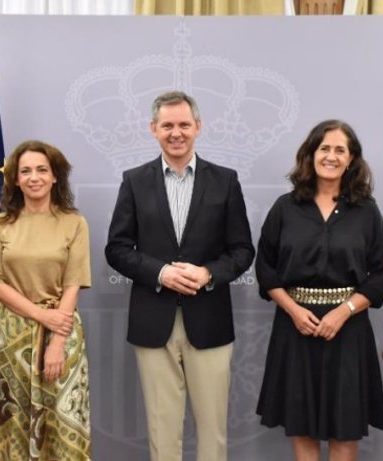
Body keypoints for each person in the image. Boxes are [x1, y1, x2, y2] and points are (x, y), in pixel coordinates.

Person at [105, 90, 254, 461]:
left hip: (210, 320)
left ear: (198, 127)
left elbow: (242, 251)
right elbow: (117, 249)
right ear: (153, 129)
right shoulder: (134, 181)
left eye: (184, 125)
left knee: (213, 431)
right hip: (153, 322)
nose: (176, 133)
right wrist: (160, 273)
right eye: (167, 125)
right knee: (162, 428)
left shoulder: (225, 181)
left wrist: (207, 273)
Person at [255, 120, 383, 461]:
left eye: (339, 150)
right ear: (311, 154)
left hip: (348, 330)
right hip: (295, 328)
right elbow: (266, 268)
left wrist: (343, 312)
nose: (331, 156)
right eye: (324, 148)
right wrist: (294, 310)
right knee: (301, 425)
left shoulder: (366, 211)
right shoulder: (285, 208)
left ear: (352, 159)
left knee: (345, 427)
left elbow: (381, 273)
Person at [0, 141, 92, 460]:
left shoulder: (74, 223)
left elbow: (73, 282)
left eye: (42, 170)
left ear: (55, 177)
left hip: (62, 331)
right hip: (7, 336)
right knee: (5, 424)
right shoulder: (0, 224)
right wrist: (40, 315)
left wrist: (56, 342)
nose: (34, 177)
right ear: (15, 179)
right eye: (25, 171)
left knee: (62, 420)